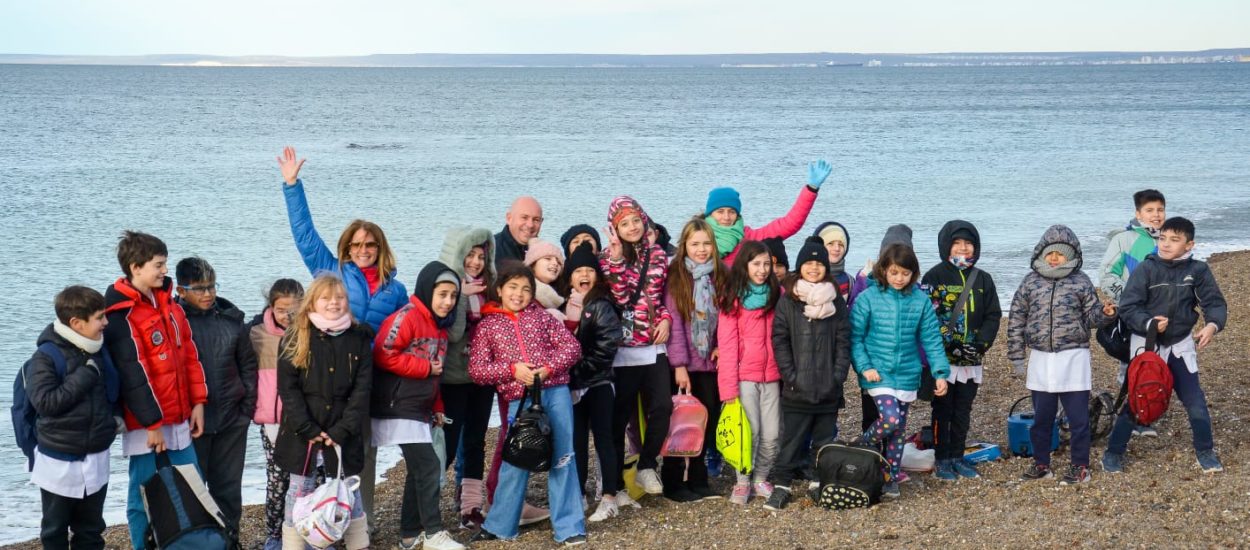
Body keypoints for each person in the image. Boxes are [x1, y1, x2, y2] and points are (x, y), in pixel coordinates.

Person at [278, 146, 408, 526]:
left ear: (380, 247)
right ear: (347, 248)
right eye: (356, 244)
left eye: (370, 245)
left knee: (359, 454)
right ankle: (307, 525)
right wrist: (291, 185)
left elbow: (404, 333)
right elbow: (304, 235)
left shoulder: (394, 290)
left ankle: (354, 523)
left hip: (367, 381)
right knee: (312, 459)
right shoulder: (328, 270)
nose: (363, 250)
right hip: (325, 379)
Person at [469, 264, 587, 546]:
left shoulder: (543, 318)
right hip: (518, 398)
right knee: (516, 457)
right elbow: (477, 370)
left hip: (555, 391)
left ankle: (569, 526)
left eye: (525, 289)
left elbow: (572, 348)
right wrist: (512, 370)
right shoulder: (488, 325)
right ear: (499, 290)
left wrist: (547, 369)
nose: (519, 294)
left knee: (563, 456)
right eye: (512, 287)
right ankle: (500, 525)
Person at [103, 231, 207, 549]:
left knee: (194, 485)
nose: (165, 271)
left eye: (165, 263)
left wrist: (198, 401)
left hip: (179, 416)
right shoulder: (120, 312)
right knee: (143, 493)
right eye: (158, 265)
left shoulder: (170, 304)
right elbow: (131, 371)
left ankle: (189, 543)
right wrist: (152, 423)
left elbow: (188, 353)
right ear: (136, 268)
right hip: (148, 425)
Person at [1102, 217, 1228, 475]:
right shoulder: (1146, 269)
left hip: (1181, 343)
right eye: (1162, 238)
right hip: (1147, 344)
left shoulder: (1199, 270)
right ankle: (1113, 452)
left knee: (1194, 400)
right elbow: (1128, 306)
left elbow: (1214, 303)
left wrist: (1212, 325)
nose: (1166, 244)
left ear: (1189, 244)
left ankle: (1205, 450)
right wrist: (1148, 323)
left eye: (1174, 239)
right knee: (1138, 400)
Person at [1007, 225, 1113, 485]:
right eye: (1049, 253)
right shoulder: (1030, 281)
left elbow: (1091, 317)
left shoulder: (1081, 281)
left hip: (1073, 357)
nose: (1054, 258)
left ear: (1072, 255)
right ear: (1040, 253)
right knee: (1042, 418)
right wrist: (1016, 354)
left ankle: (1080, 466)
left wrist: (1107, 314)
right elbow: (1016, 318)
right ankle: (1041, 463)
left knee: (1078, 418)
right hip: (1041, 358)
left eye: (1060, 254)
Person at [275, 275, 373, 550]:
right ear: (312, 302)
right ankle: (294, 546)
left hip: (344, 431)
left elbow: (362, 391)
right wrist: (307, 428)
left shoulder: (359, 338)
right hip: (302, 432)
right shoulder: (295, 336)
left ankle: (357, 544)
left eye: (339, 297)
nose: (333, 303)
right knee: (298, 492)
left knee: (350, 493)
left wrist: (342, 430)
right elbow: (288, 389)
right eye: (326, 298)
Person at [372, 262, 465, 550]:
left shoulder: (440, 328)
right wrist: (423, 367)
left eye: (453, 296)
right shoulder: (408, 316)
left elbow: (436, 374)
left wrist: (436, 406)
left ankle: (410, 534)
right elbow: (382, 353)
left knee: (418, 470)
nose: (448, 302)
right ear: (427, 290)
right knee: (428, 467)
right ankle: (433, 533)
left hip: (418, 407)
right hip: (396, 404)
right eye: (442, 294)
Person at [850, 243, 951, 500]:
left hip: (907, 373)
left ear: (913, 274)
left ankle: (891, 477)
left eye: (905, 274)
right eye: (894, 272)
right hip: (878, 372)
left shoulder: (920, 300)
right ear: (884, 270)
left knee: (898, 430)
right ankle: (862, 444)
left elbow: (931, 338)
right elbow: (855, 337)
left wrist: (940, 373)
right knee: (890, 418)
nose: (899, 278)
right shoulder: (867, 298)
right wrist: (865, 367)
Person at [25, 286, 119, 550]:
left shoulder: (99, 349)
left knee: (91, 530)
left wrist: (113, 424)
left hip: (96, 456)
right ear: (77, 323)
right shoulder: (45, 356)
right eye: (100, 317)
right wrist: (85, 376)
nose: (106, 322)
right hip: (59, 459)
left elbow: (113, 394)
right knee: (54, 531)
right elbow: (46, 403)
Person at [174, 257, 257, 544]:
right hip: (190, 425)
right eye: (199, 288)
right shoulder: (173, 322)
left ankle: (230, 542)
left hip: (232, 421)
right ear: (181, 291)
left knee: (229, 491)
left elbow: (248, 367)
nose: (208, 294)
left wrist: (245, 410)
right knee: (192, 492)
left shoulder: (232, 321)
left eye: (211, 286)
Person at [765, 237, 850, 511]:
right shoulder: (789, 300)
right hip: (796, 387)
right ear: (800, 266)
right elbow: (780, 339)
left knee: (824, 439)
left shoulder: (836, 301)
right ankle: (782, 485)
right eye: (808, 263)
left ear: (826, 267)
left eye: (819, 263)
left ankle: (817, 482)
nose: (814, 268)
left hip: (828, 387)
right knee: (791, 439)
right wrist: (791, 376)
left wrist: (837, 377)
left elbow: (843, 342)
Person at [600, 196, 673, 499]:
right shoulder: (607, 257)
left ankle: (646, 465)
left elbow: (663, 297)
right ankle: (615, 483)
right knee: (619, 417)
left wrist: (666, 318)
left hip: (653, 345)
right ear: (614, 228)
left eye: (635, 220)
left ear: (644, 220)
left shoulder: (658, 254)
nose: (631, 227)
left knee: (663, 407)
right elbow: (619, 298)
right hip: (622, 350)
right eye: (623, 223)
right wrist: (617, 260)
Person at [920, 221, 1002, 481]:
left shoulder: (983, 279)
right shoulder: (934, 276)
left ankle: (957, 455)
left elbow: (993, 315)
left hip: (971, 359)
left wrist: (981, 344)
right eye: (957, 243)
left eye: (968, 244)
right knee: (942, 410)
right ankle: (942, 458)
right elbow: (927, 316)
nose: (963, 248)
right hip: (942, 360)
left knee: (963, 409)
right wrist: (946, 343)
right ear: (946, 246)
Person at [558, 242, 626, 520]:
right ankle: (578, 494)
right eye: (578, 271)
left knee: (604, 438)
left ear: (597, 276)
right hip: (572, 386)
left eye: (589, 270)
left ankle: (609, 496)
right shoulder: (563, 305)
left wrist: (577, 374)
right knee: (575, 441)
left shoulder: (601, 304)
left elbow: (608, 345)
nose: (584, 275)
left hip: (597, 383)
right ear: (570, 276)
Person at [662, 216, 727, 501]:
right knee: (679, 422)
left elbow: (726, 316)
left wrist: (722, 346)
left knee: (705, 419)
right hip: (683, 363)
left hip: (710, 363)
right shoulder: (675, 276)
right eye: (695, 244)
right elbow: (674, 323)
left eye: (706, 244)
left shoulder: (720, 275)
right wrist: (678, 365)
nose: (701, 249)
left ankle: (699, 478)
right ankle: (674, 482)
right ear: (684, 244)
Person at [436, 226, 496, 529]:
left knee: (475, 441)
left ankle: (470, 506)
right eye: (469, 255)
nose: (475, 262)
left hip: (482, 377)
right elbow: (455, 332)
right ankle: (426, 502)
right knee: (445, 442)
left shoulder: (489, 287)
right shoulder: (445, 289)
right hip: (453, 379)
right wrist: (461, 297)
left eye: (480, 257)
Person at [716, 240, 783, 505]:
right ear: (745, 265)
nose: (762, 269)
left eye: (767, 264)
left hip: (773, 376)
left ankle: (761, 477)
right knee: (749, 432)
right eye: (756, 264)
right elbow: (728, 346)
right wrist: (728, 390)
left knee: (772, 433)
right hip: (745, 377)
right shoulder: (732, 299)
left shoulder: (779, 295)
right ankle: (742, 481)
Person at [1098, 188, 1167, 438]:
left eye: (1160, 210)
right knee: (1131, 365)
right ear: (1138, 213)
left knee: (1158, 364)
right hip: (1133, 316)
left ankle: (1147, 412)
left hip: (1162, 317)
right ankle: (1130, 418)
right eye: (1150, 210)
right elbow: (1106, 276)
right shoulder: (1124, 240)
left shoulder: (1168, 239)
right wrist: (1128, 298)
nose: (1156, 215)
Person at [246, 278, 304, 550]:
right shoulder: (256, 334)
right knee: (278, 478)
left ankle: (311, 531)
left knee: (307, 477)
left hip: (304, 418)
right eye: (282, 310)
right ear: (271, 307)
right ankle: (275, 534)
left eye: (294, 310)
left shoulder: (310, 331)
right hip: (271, 419)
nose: (288, 316)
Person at [704, 160, 831, 265]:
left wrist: (811, 189)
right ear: (710, 214)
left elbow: (790, 223)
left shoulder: (749, 239)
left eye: (732, 212)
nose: (726, 217)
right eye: (720, 211)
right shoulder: (698, 238)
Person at [525, 239, 567, 320]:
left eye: (559, 262)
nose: (555, 263)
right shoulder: (525, 294)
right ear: (532, 263)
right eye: (548, 258)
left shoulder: (562, 294)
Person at [496, 196, 544, 265]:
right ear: (509, 218)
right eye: (524, 218)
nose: (530, 225)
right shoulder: (490, 251)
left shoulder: (545, 254)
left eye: (536, 220)